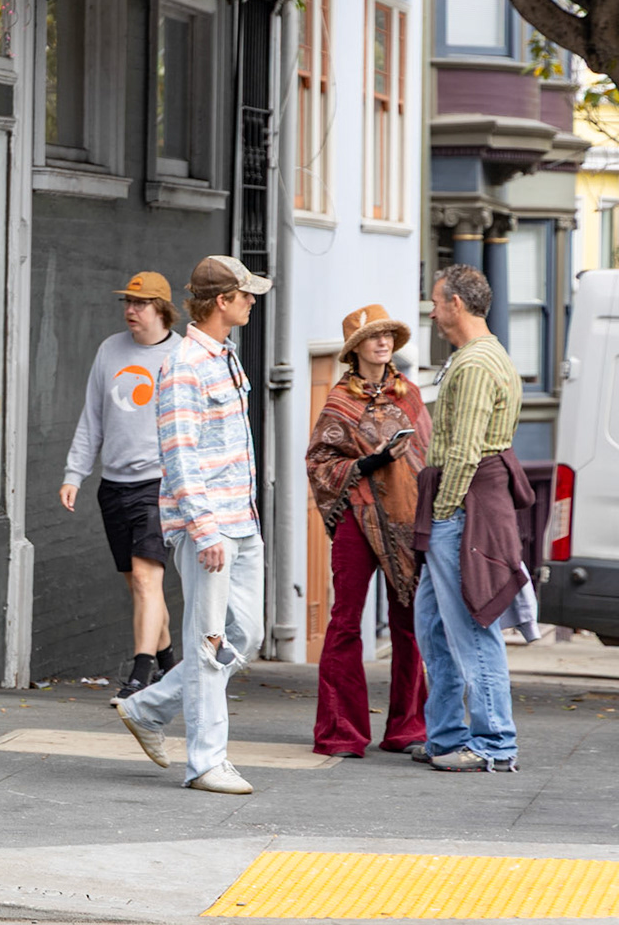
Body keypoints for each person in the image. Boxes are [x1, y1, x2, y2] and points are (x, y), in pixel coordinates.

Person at [115, 255, 269, 796]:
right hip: (212, 526)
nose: (253, 301)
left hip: (241, 520)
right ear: (223, 301)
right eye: (246, 294)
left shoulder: (224, 356)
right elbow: (179, 455)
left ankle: (149, 707)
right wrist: (204, 531)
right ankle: (206, 763)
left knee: (244, 635)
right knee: (208, 642)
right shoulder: (184, 365)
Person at [304, 304, 431, 758]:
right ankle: (341, 732)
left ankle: (408, 727)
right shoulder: (339, 401)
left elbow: (427, 458)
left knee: (411, 625)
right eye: (373, 337)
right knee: (344, 624)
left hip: (405, 519)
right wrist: (367, 463)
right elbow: (319, 461)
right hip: (357, 518)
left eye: (388, 336)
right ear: (355, 348)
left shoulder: (409, 395)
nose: (383, 343)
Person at [418, 264, 526, 773]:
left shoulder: (477, 364)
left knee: (471, 625)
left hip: (462, 509)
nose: (433, 312)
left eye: (436, 303)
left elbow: (463, 450)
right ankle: (445, 736)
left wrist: (442, 515)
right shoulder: (476, 356)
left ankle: (494, 744)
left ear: (456, 305)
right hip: (463, 505)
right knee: (435, 626)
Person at [60, 270, 181, 700]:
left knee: (149, 581)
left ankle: (139, 676)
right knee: (136, 584)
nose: (131, 310)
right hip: (113, 484)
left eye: (141, 303)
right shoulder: (110, 350)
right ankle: (171, 668)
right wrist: (75, 473)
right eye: (128, 303)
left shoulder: (181, 357)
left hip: (158, 485)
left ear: (162, 310)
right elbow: (92, 417)